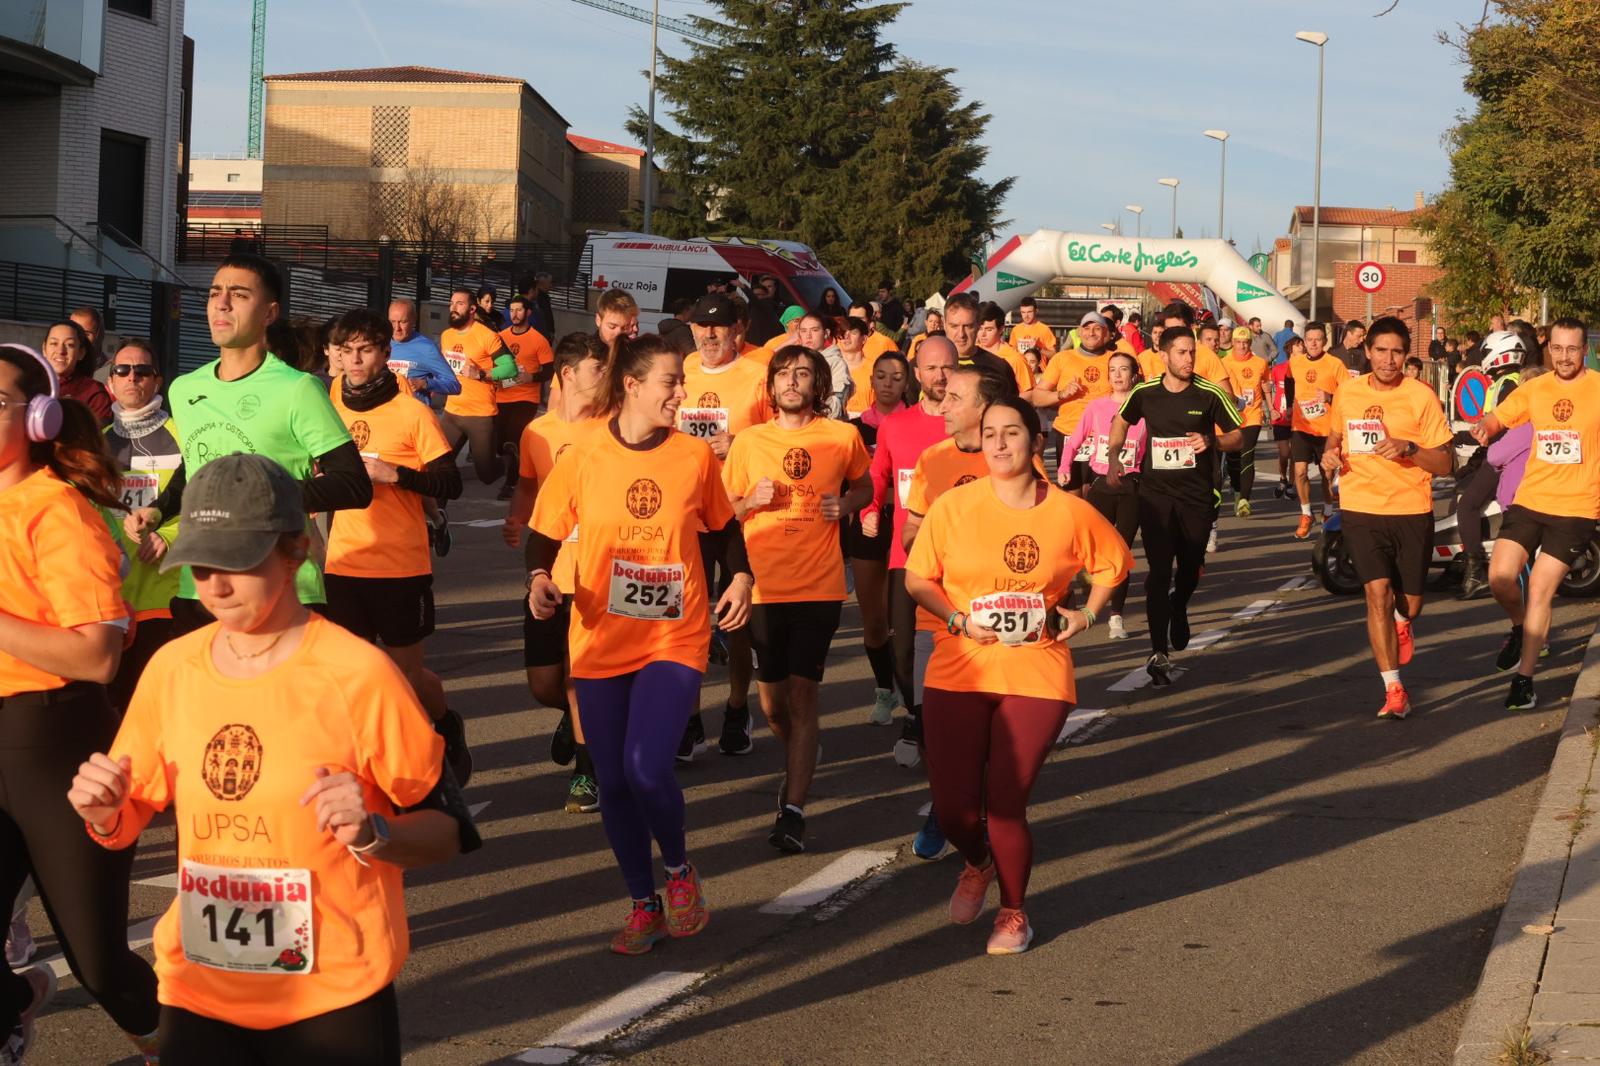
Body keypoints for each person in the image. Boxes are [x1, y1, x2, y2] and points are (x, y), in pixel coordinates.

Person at [68, 452, 477, 1064]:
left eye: (238, 562)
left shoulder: (358, 673)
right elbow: (126, 815)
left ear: (295, 552)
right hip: (197, 988)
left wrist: (375, 832)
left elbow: (446, 832)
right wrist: (102, 810)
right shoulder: (173, 669)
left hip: (331, 994)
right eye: (201, 566)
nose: (216, 586)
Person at [526, 333, 753, 954]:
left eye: (682, 382)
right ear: (631, 385)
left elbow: (725, 527)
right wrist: (540, 579)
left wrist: (740, 575)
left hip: (673, 636)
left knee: (647, 767)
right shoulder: (585, 455)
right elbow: (542, 534)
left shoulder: (693, 457)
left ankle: (679, 874)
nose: (682, 393)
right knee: (615, 783)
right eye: (670, 383)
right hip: (600, 637)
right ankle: (640, 901)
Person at [906, 396, 1131, 955]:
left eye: (1012, 433)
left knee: (1005, 801)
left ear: (1036, 442)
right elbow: (918, 580)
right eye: (990, 434)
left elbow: (1115, 562)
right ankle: (977, 862)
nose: (1000, 444)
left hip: (1037, 670)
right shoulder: (953, 507)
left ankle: (1013, 912)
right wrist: (958, 618)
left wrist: (1088, 613)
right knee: (955, 809)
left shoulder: (1070, 511)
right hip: (959, 666)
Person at [0, 341, 162, 1065]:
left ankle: (186, 1046)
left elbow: (98, 655)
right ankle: (13, 1004)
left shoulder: (56, 510)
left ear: (37, 418)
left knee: (100, 966)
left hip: (52, 742)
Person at [125, 255, 373, 633]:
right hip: (200, 588)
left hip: (282, 590)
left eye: (238, 295)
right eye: (214, 293)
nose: (221, 303)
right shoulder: (186, 387)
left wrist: (259, 497)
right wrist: (158, 510)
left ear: (269, 313)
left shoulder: (298, 389)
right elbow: (194, 468)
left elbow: (354, 484)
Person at [724, 346, 872, 851]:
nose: (792, 382)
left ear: (818, 386)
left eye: (803, 374)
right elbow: (723, 510)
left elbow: (866, 486)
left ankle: (793, 809)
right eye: (784, 374)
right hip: (763, 587)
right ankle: (801, 754)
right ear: (771, 387)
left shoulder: (841, 436)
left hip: (819, 584)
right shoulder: (748, 441)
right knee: (772, 705)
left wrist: (845, 502)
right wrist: (749, 502)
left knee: (804, 693)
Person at [323, 308, 471, 784]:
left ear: (387, 354)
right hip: (344, 562)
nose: (355, 360)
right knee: (351, 676)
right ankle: (375, 766)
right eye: (346, 351)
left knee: (406, 676)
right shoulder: (330, 401)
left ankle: (446, 723)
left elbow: (450, 483)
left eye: (365, 350)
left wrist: (395, 475)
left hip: (401, 567)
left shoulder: (411, 411)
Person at [1321, 317, 1454, 718]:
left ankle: (1402, 619)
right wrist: (1329, 458)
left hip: (1411, 509)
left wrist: (1409, 447)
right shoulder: (1347, 392)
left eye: (1397, 351)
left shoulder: (1421, 396)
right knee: (1375, 592)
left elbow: (1446, 463)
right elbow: (1334, 439)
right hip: (1361, 507)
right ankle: (1394, 688)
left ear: (1406, 354)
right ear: (1367, 351)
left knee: (1410, 604)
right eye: (1381, 350)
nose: (1389, 359)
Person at [1470, 318, 1599, 710]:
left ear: (1584, 350)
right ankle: (1518, 626)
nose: (1564, 357)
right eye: (1557, 349)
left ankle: (1524, 680)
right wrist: (1485, 426)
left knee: (1542, 588)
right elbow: (1501, 416)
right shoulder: (1535, 388)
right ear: (1549, 350)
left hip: (1575, 506)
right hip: (1531, 500)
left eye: (1572, 349)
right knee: (1500, 577)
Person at [504, 332, 608, 814]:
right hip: (549, 570)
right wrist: (515, 516)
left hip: (596, 573)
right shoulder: (538, 432)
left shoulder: (615, 428)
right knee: (545, 684)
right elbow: (529, 486)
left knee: (579, 680)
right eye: (595, 369)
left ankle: (588, 773)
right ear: (568, 374)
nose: (603, 377)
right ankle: (574, 718)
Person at [1107, 327, 1243, 685]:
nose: (1188, 359)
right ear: (1164, 356)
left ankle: (1179, 604)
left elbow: (1238, 435)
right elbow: (1120, 421)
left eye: (1192, 353)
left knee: (1190, 565)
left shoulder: (1209, 392)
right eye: (1181, 353)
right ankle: (1158, 653)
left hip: (1197, 495)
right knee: (1158, 571)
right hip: (1155, 495)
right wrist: (1114, 457)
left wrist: (1212, 440)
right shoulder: (1145, 391)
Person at [863, 337, 957, 807]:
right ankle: (919, 712)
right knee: (901, 650)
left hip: (959, 560)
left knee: (950, 644)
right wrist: (872, 508)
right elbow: (879, 475)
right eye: (931, 368)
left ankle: (932, 721)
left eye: (947, 368)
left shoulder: (967, 426)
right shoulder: (897, 425)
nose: (939, 376)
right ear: (917, 373)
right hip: (908, 555)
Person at [678, 293, 771, 758]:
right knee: (688, 620)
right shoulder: (682, 370)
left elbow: (780, 436)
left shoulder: (760, 371)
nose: (709, 335)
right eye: (701, 326)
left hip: (740, 512)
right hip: (688, 513)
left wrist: (741, 442)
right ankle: (690, 718)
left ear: (738, 330)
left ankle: (737, 708)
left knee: (736, 621)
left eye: (718, 327)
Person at [102, 338, 183, 711]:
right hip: (111, 601)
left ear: (158, 381)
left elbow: (205, 499)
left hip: (167, 594)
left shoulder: (184, 434)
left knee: (160, 709)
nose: (132, 376)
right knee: (114, 711)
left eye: (142, 370)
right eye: (122, 370)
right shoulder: (96, 444)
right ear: (110, 383)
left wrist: (168, 535)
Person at [1061, 351, 1147, 639]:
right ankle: (1091, 581)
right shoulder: (1096, 408)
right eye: (1113, 370)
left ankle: (1116, 616)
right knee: (1094, 549)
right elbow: (1073, 442)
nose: (1118, 375)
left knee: (1120, 552)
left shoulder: (1145, 409)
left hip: (1132, 486)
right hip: (1100, 485)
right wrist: (1063, 468)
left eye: (1124, 369)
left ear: (1134, 375)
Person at [846, 352, 908, 726]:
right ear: (871, 380)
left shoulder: (916, 423)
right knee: (874, 620)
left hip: (908, 524)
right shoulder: (855, 430)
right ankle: (884, 690)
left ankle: (910, 688)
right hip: (867, 526)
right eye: (881, 376)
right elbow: (847, 482)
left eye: (896, 377)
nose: (888, 383)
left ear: (906, 382)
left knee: (904, 618)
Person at [1029, 311, 1118, 487]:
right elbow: (1037, 398)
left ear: (1107, 333)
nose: (1091, 333)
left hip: (1104, 437)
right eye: (1086, 328)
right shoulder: (1062, 358)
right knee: (1072, 491)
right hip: (1069, 433)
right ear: (1078, 332)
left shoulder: (1116, 360)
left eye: (1097, 328)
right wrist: (1061, 394)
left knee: (1097, 492)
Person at [439, 287, 517, 486]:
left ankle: (511, 460)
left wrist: (481, 373)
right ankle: (438, 512)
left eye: (460, 303)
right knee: (439, 466)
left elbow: (510, 369)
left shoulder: (487, 335)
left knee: (486, 474)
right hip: (451, 413)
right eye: (452, 303)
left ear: (472, 309)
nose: (453, 308)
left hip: (480, 415)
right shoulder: (446, 335)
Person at [1288, 321, 1345, 538]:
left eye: (1318, 339)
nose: (1313, 343)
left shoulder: (1335, 364)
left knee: (1327, 474)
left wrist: (1330, 397)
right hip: (1301, 425)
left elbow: (1347, 392)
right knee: (1300, 471)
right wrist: (1287, 406)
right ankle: (1305, 513)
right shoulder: (1296, 363)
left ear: (1325, 341)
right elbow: (1288, 382)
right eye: (1309, 339)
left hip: (1327, 430)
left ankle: (1328, 511)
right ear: (1304, 341)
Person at [496, 295, 555, 499]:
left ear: (528, 312)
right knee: (499, 442)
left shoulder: (539, 340)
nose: (515, 314)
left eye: (519, 310)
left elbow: (549, 371)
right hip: (502, 396)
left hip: (526, 398)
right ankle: (527, 466)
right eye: (511, 310)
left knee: (513, 438)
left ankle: (511, 484)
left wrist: (532, 376)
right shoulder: (500, 337)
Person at [1221, 325, 1270, 518]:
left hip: (1253, 415)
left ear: (1250, 343)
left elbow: (1266, 385)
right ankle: (1237, 489)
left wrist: (1271, 408)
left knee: (1247, 455)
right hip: (1231, 417)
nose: (1242, 346)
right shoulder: (1223, 363)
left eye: (1246, 342)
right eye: (1238, 342)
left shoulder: (1260, 363)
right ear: (1232, 343)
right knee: (1233, 459)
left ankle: (1244, 500)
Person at [942, 293, 1023, 390]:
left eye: (968, 326)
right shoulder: (928, 364)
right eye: (954, 326)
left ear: (978, 325)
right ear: (944, 324)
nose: (961, 334)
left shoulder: (998, 368)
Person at [386, 299, 459, 407]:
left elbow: (454, 385)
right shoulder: (381, 343)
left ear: (414, 320)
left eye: (403, 322)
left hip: (413, 418)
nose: (397, 328)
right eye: (392, 321)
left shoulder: (427, 348)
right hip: (385, 416)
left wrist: (426, 384)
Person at [42, 319, 112, 426]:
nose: (61, 351)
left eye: (69, 345)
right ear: (44, 349)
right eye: (54, 343)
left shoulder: (93, 392)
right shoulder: (29, 384)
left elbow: (98, 437)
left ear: (81, 353)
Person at [793, 312, 853, 418]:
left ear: (826, 333)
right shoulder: (793, 361)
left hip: (826, 426)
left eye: (814, 330)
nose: (808, 335)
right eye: (803, 331)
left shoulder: (836, 363)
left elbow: (837, 408)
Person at [1269, 336, 1304, 499]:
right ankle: (1282, 478)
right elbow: (1268, 389)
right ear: (1290, 349)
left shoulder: (1306, 369)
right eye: (1298, 345)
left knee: (1295, 454)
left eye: (1302, 345)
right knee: (1285, 452)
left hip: (1299, 418)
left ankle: (1290, 485)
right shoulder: (1278, 369)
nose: (1301, 347)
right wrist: (1271, 409)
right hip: (1281, 417)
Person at [975, 301, 1035, 392]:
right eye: (980, 329)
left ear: (1001, 329)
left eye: (989, 329)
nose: (983, 334)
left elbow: (1030, 393)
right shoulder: (972, 352)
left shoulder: (1014, 359)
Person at [838, 317, 878, 417]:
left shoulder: (875, 369)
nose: (846, 336)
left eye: (853, 333)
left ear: (864, 339)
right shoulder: (830, 367)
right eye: (843, 332)